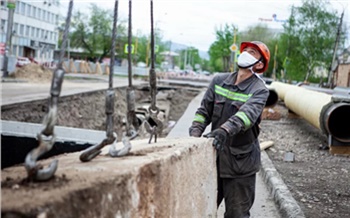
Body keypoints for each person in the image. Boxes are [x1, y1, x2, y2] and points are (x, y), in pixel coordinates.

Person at [189, 41, 270, 218]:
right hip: (214, 159)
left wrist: (224, 130)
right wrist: (194, 135)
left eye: (253, 53)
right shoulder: (219, 81)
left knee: (237, 214)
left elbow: (247, 116)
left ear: (259, 64)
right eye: (246, 50)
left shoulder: (260, 90)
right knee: (201, 210)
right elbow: (203, 112)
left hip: (240, 164)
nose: (247, 53)